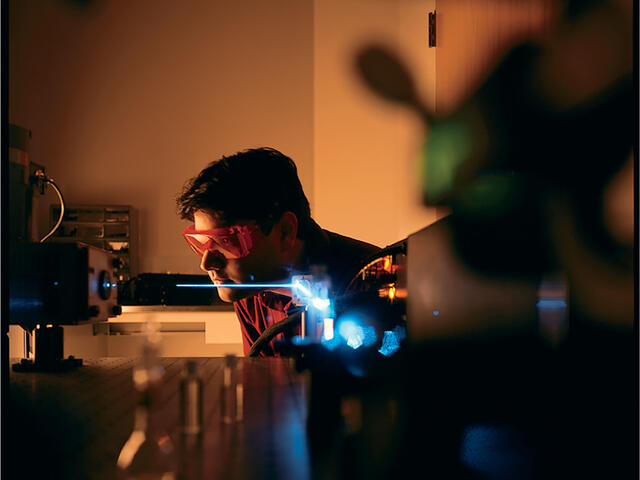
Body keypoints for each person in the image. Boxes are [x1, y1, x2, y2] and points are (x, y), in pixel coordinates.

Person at [176, 147, 380, 356]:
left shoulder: (374, 282)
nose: (207, 263)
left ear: (285, 231)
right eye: (201, 242)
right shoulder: (249, 290)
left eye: (226, 241)